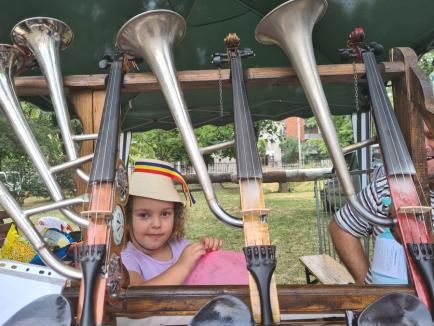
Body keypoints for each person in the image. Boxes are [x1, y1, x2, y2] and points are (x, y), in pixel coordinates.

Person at [329, 123, 434, 284]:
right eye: (417, 137)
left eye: (431, 136)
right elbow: (341, 227)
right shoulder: (384, 187)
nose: (423, 145)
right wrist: (367, 283)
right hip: (385, 304)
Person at [121, 158, 223, 286]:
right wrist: (182, 265)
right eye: (144, 215)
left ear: (176, 215)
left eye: (165, 214)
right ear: (127, 219)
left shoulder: (182, 247)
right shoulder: (127, 258)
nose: (157, 224)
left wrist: (207, 251)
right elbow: (133, 297)